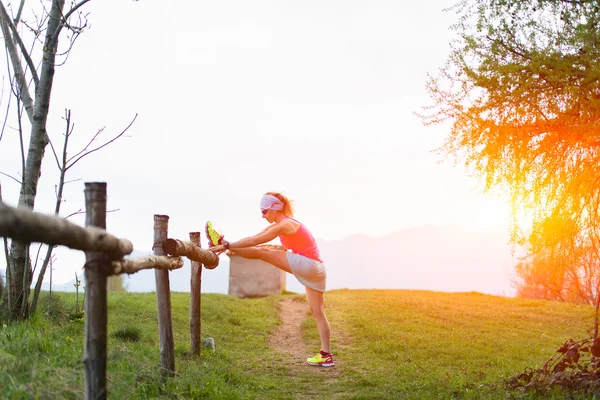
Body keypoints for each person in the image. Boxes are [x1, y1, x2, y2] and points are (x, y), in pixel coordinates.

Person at [207, 192, 334, 367]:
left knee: (263, 253)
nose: (262, 215)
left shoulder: (286, 224)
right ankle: (326, 355)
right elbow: (255, 239)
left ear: (275, 208)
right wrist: (227, 245)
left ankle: (220, 241)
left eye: (265, 211)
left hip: (309, 265)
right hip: (318, 269)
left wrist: (225, 245)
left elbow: (255, 241)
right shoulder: (284, 224)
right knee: (318, 313)